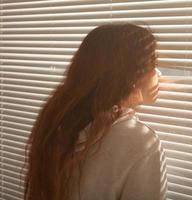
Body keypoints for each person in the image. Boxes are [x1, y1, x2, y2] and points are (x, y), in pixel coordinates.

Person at [23, 22, 168, 200]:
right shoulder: (142, 143)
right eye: (153, 64)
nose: (159, 73)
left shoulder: (59, 124)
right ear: (133, 77)